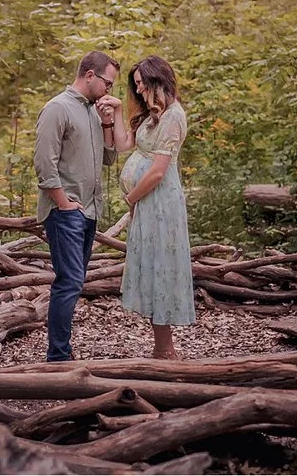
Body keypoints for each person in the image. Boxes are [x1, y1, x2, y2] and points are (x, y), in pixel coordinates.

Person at [35, 50, 122, 363]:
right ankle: (58, 357)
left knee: (74, 280)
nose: (109, 90)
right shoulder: (57, 108)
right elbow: (45, 162)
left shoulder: (91, 111)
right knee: (69, 281)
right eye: (107, 83)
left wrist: (108, 122)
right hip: (66, 211)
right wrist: (63, 202)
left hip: (90, 211)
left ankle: (62, 352)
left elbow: (110, 158)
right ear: (89, 75)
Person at [118, 54, 195, 358]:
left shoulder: (174, 115)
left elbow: (159, 170)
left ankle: (167, 350)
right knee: (150, 268)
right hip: (147, 201)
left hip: (161, 202)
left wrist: (131, 197)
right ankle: (160, 347)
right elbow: (125, 145)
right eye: (135, 86)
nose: (138, 91)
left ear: (156, 80)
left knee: (161, 267)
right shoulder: (154, 114)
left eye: (141, 85)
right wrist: (111, 115)